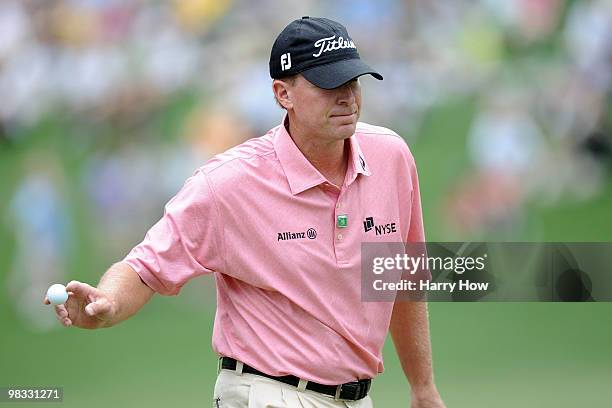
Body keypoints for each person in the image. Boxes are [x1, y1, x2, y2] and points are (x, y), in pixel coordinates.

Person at [45, 17, 445, 408]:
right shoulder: (227, 183)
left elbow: (402, 277)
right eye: (328, 84)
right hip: (267, 392)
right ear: (282, 94)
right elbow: (146, 266)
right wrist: (110, 303)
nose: (346, 96)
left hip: (358, 396)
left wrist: (422, 386)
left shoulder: (391, 156)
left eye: (352, 81)